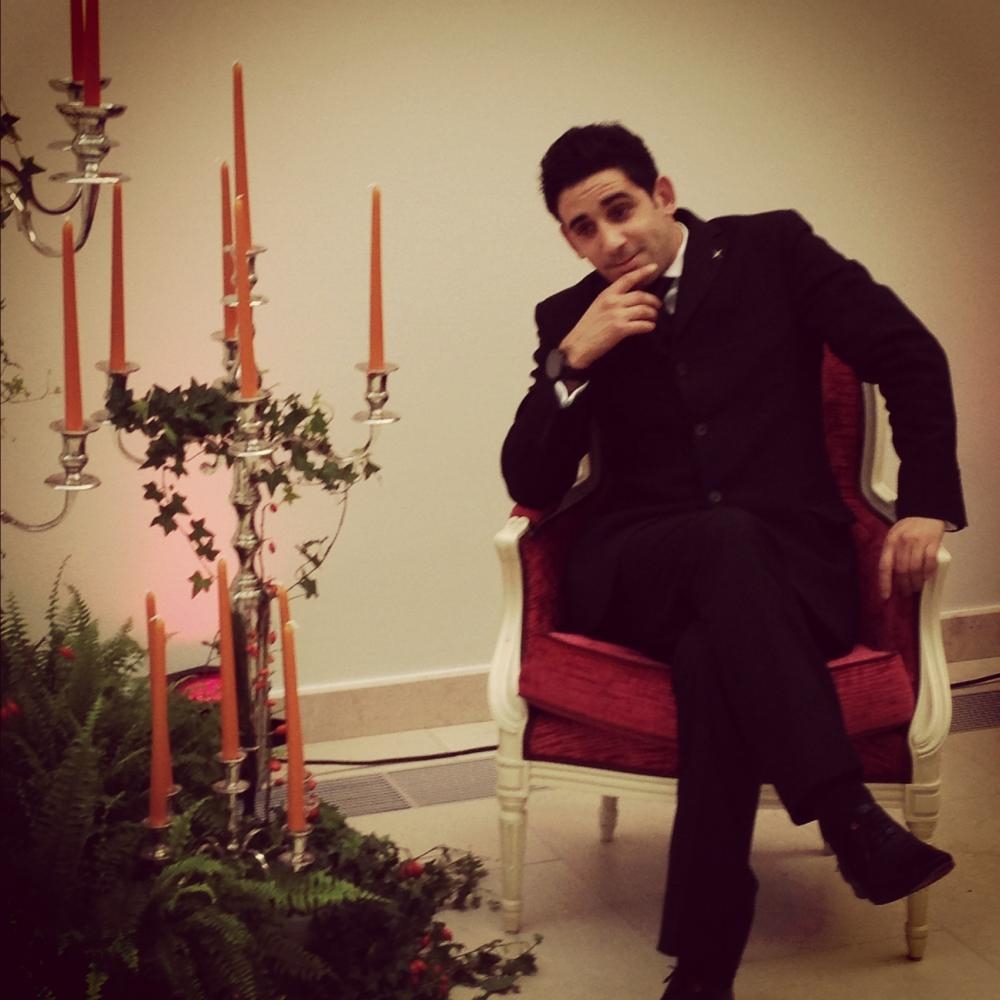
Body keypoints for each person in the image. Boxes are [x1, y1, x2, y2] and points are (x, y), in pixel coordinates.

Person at [500, 123, 966, 1000]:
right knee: (722, 543)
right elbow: (531, 481)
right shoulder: (569, 318)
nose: (610, 240)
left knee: (716, 657)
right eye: (583, 228)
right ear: (568, 239)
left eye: (620, 210)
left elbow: (907, 351)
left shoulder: (771, 251)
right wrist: (573, 362)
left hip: (788, 574)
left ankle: (703, 966)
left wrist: (926, 500)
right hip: (641, 569)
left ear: (663, 195)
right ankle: (847, 814)